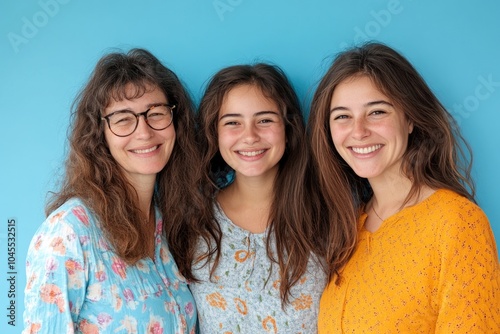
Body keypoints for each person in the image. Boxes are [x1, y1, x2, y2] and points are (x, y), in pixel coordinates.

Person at [308, 42, 500, 333]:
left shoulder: (457, 223)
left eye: (377, 112)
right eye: (342, 116)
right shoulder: (347, 227)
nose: (358, 131)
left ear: (409, 118)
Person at [23, 49, 200, 333]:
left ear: (175, 122)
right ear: (99, 134)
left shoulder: (168, 225)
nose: (144, 132)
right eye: (123, 119)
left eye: (156, 113)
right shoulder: (68, 233)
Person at [168, 63, 327, 333]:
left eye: (265, 120)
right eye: (233, 122)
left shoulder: (327, 216)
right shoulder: (192, 220)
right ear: (214, 133)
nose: (250, 136)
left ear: (288, 129)